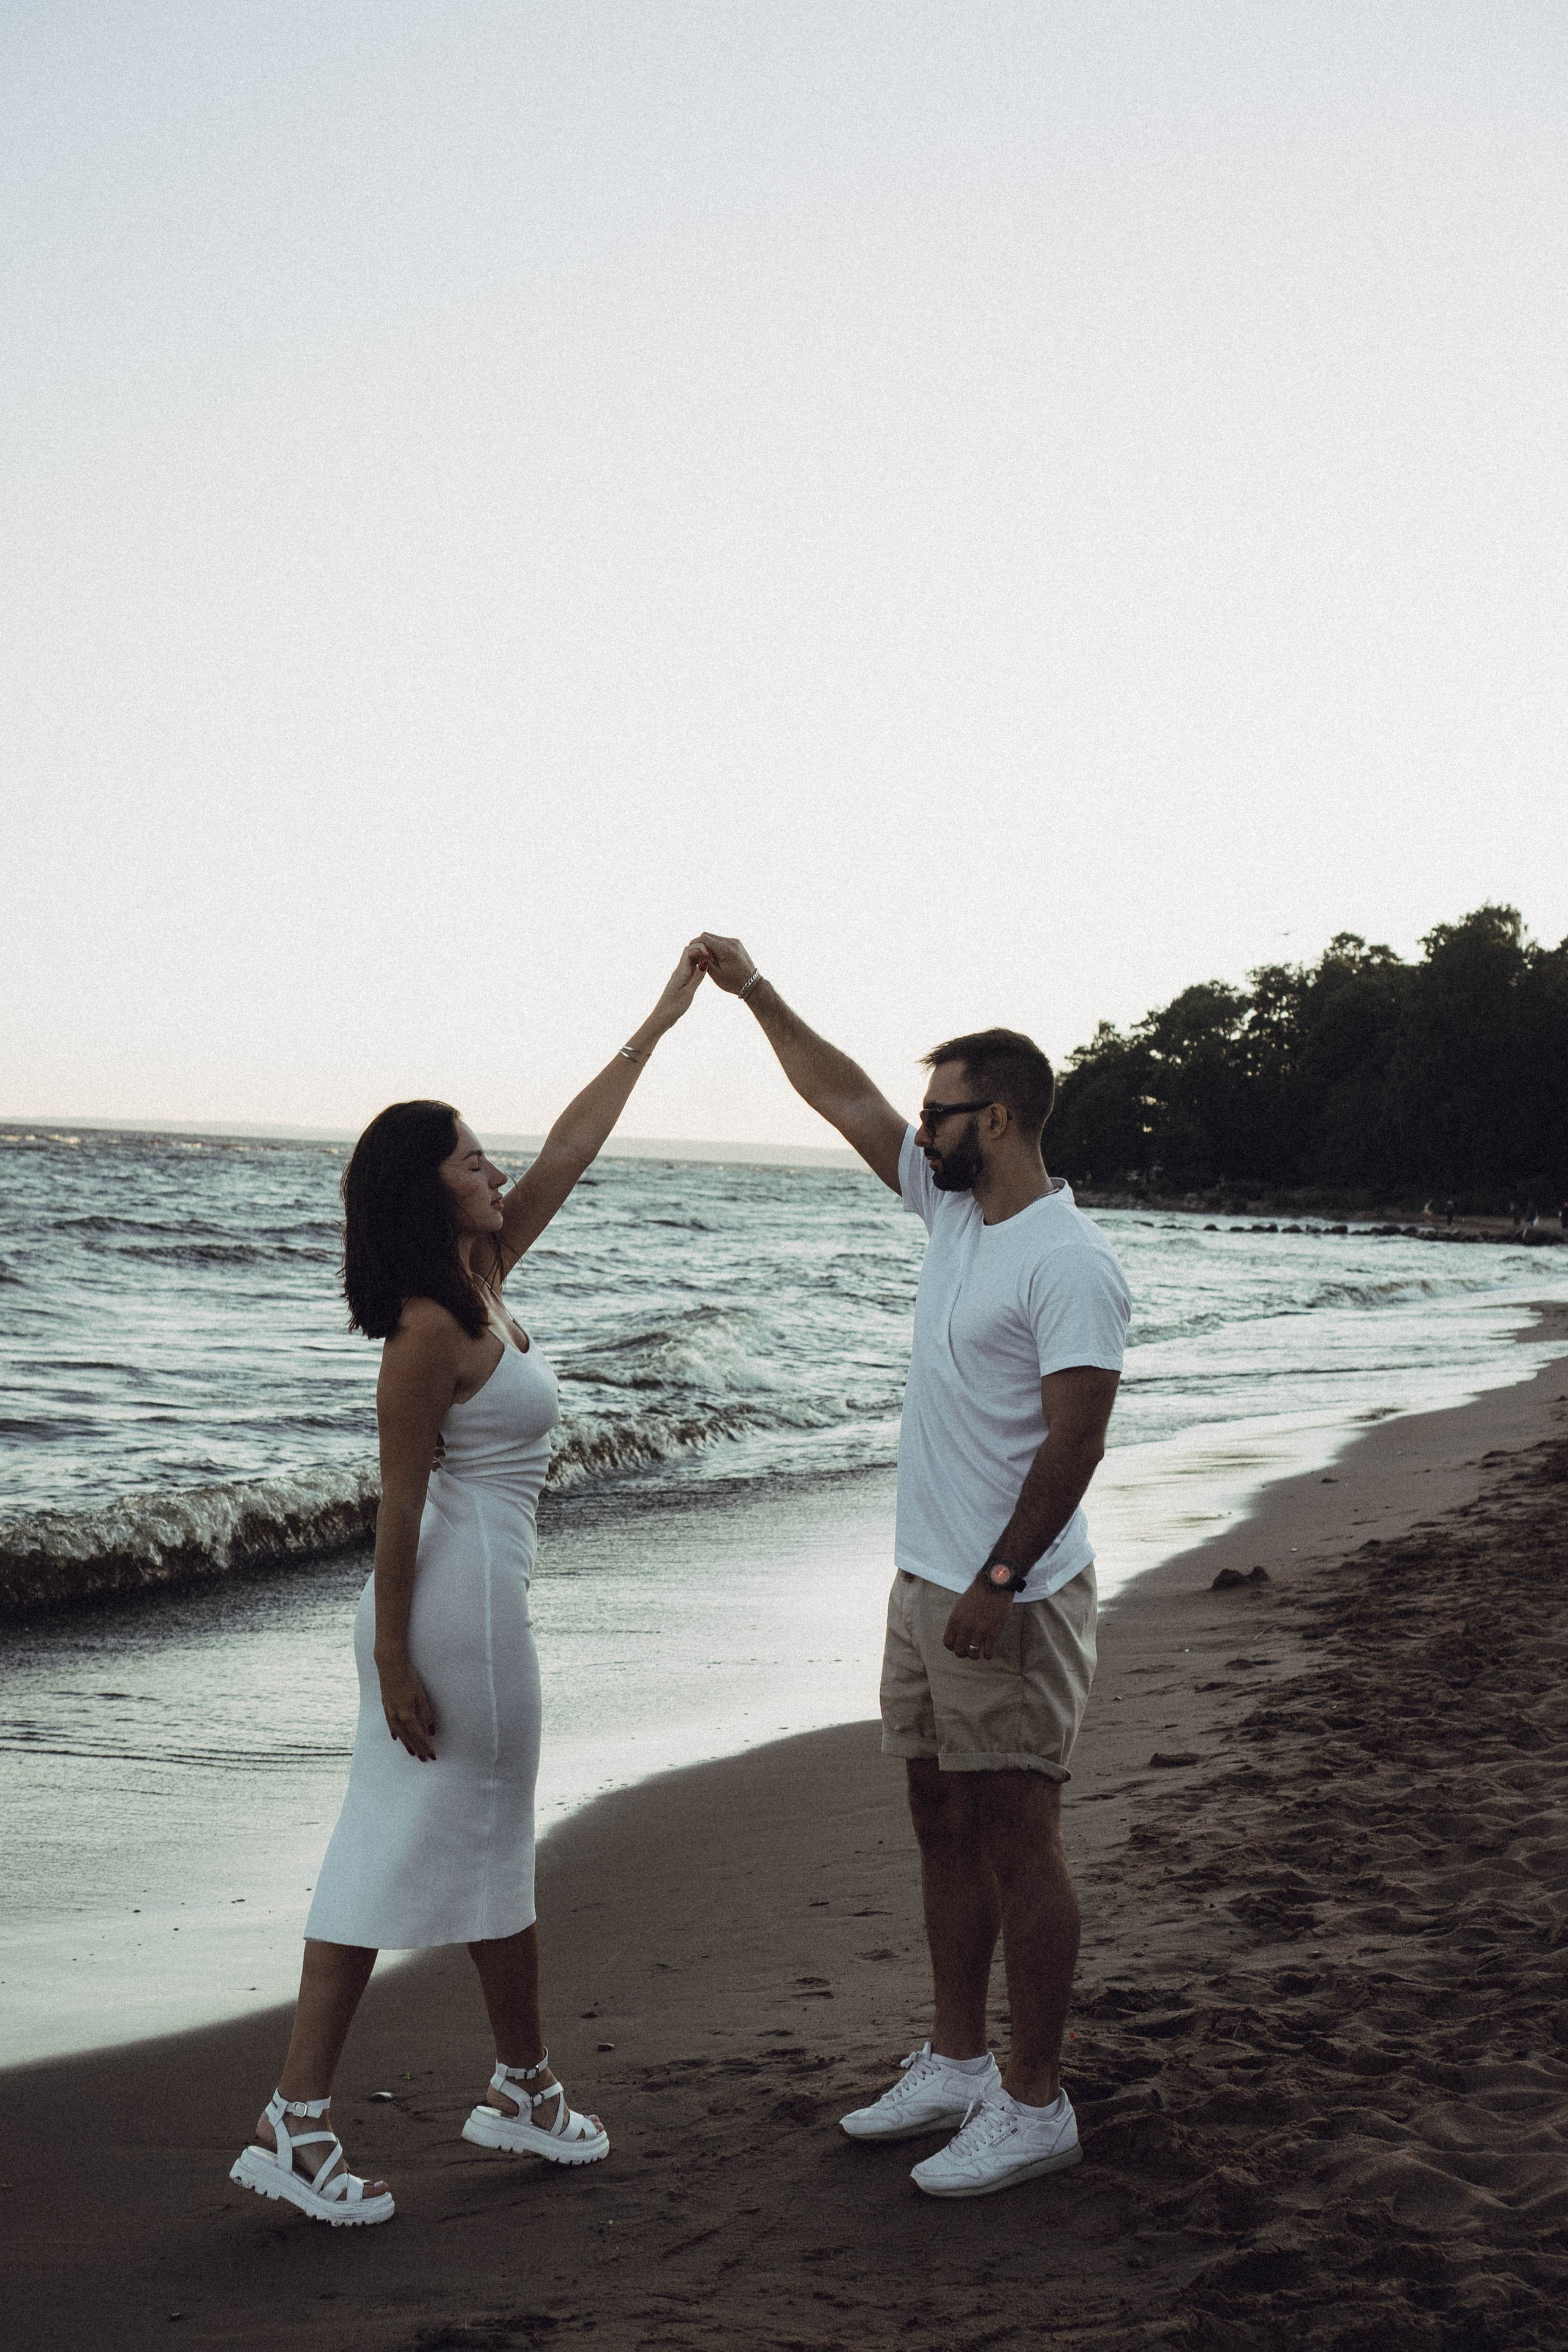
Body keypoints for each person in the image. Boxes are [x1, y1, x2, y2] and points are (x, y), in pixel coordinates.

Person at [229, 946, 707, 2225]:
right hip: (456, 1611)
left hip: (468, 1601)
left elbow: (570, 1148)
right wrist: (394, 1661)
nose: (494, 1170)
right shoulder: (428, 1330)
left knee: (460, 1843)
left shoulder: (482, 1279)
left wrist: (657, 1019)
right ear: (422, 1190)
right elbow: (395, 1504)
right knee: (436, 1845)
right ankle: (331, 2117)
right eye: (468, 1157)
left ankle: (507, 2088)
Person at [696, 934, 1130, 2199]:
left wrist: (997, 1584)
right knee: (939, 1822)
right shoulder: (951, 1209)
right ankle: (954, 2062)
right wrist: (756, 992)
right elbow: (838, 1096)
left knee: (1016, 1834)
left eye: (938, 1110)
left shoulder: (1068, 1261)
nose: (915, 1127)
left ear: (991, 1119)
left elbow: (1077, 1437)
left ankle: (1034, 2102)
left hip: (1013, 1594)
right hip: (925, 1583)